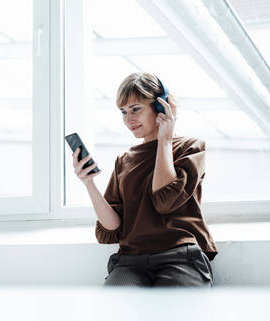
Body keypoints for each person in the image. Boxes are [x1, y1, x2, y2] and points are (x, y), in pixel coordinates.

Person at [72, 72, 218, 287]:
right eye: (123, 112)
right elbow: (112, 230)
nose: (128, 119)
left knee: (176, 317)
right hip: (131, 261)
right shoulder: (124, 161)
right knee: (110, 315)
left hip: (180, 255)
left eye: (136, 109)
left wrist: (165, 140)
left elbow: (164, 201)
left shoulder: (191, 148)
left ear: (161, 107)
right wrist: (88, 183)